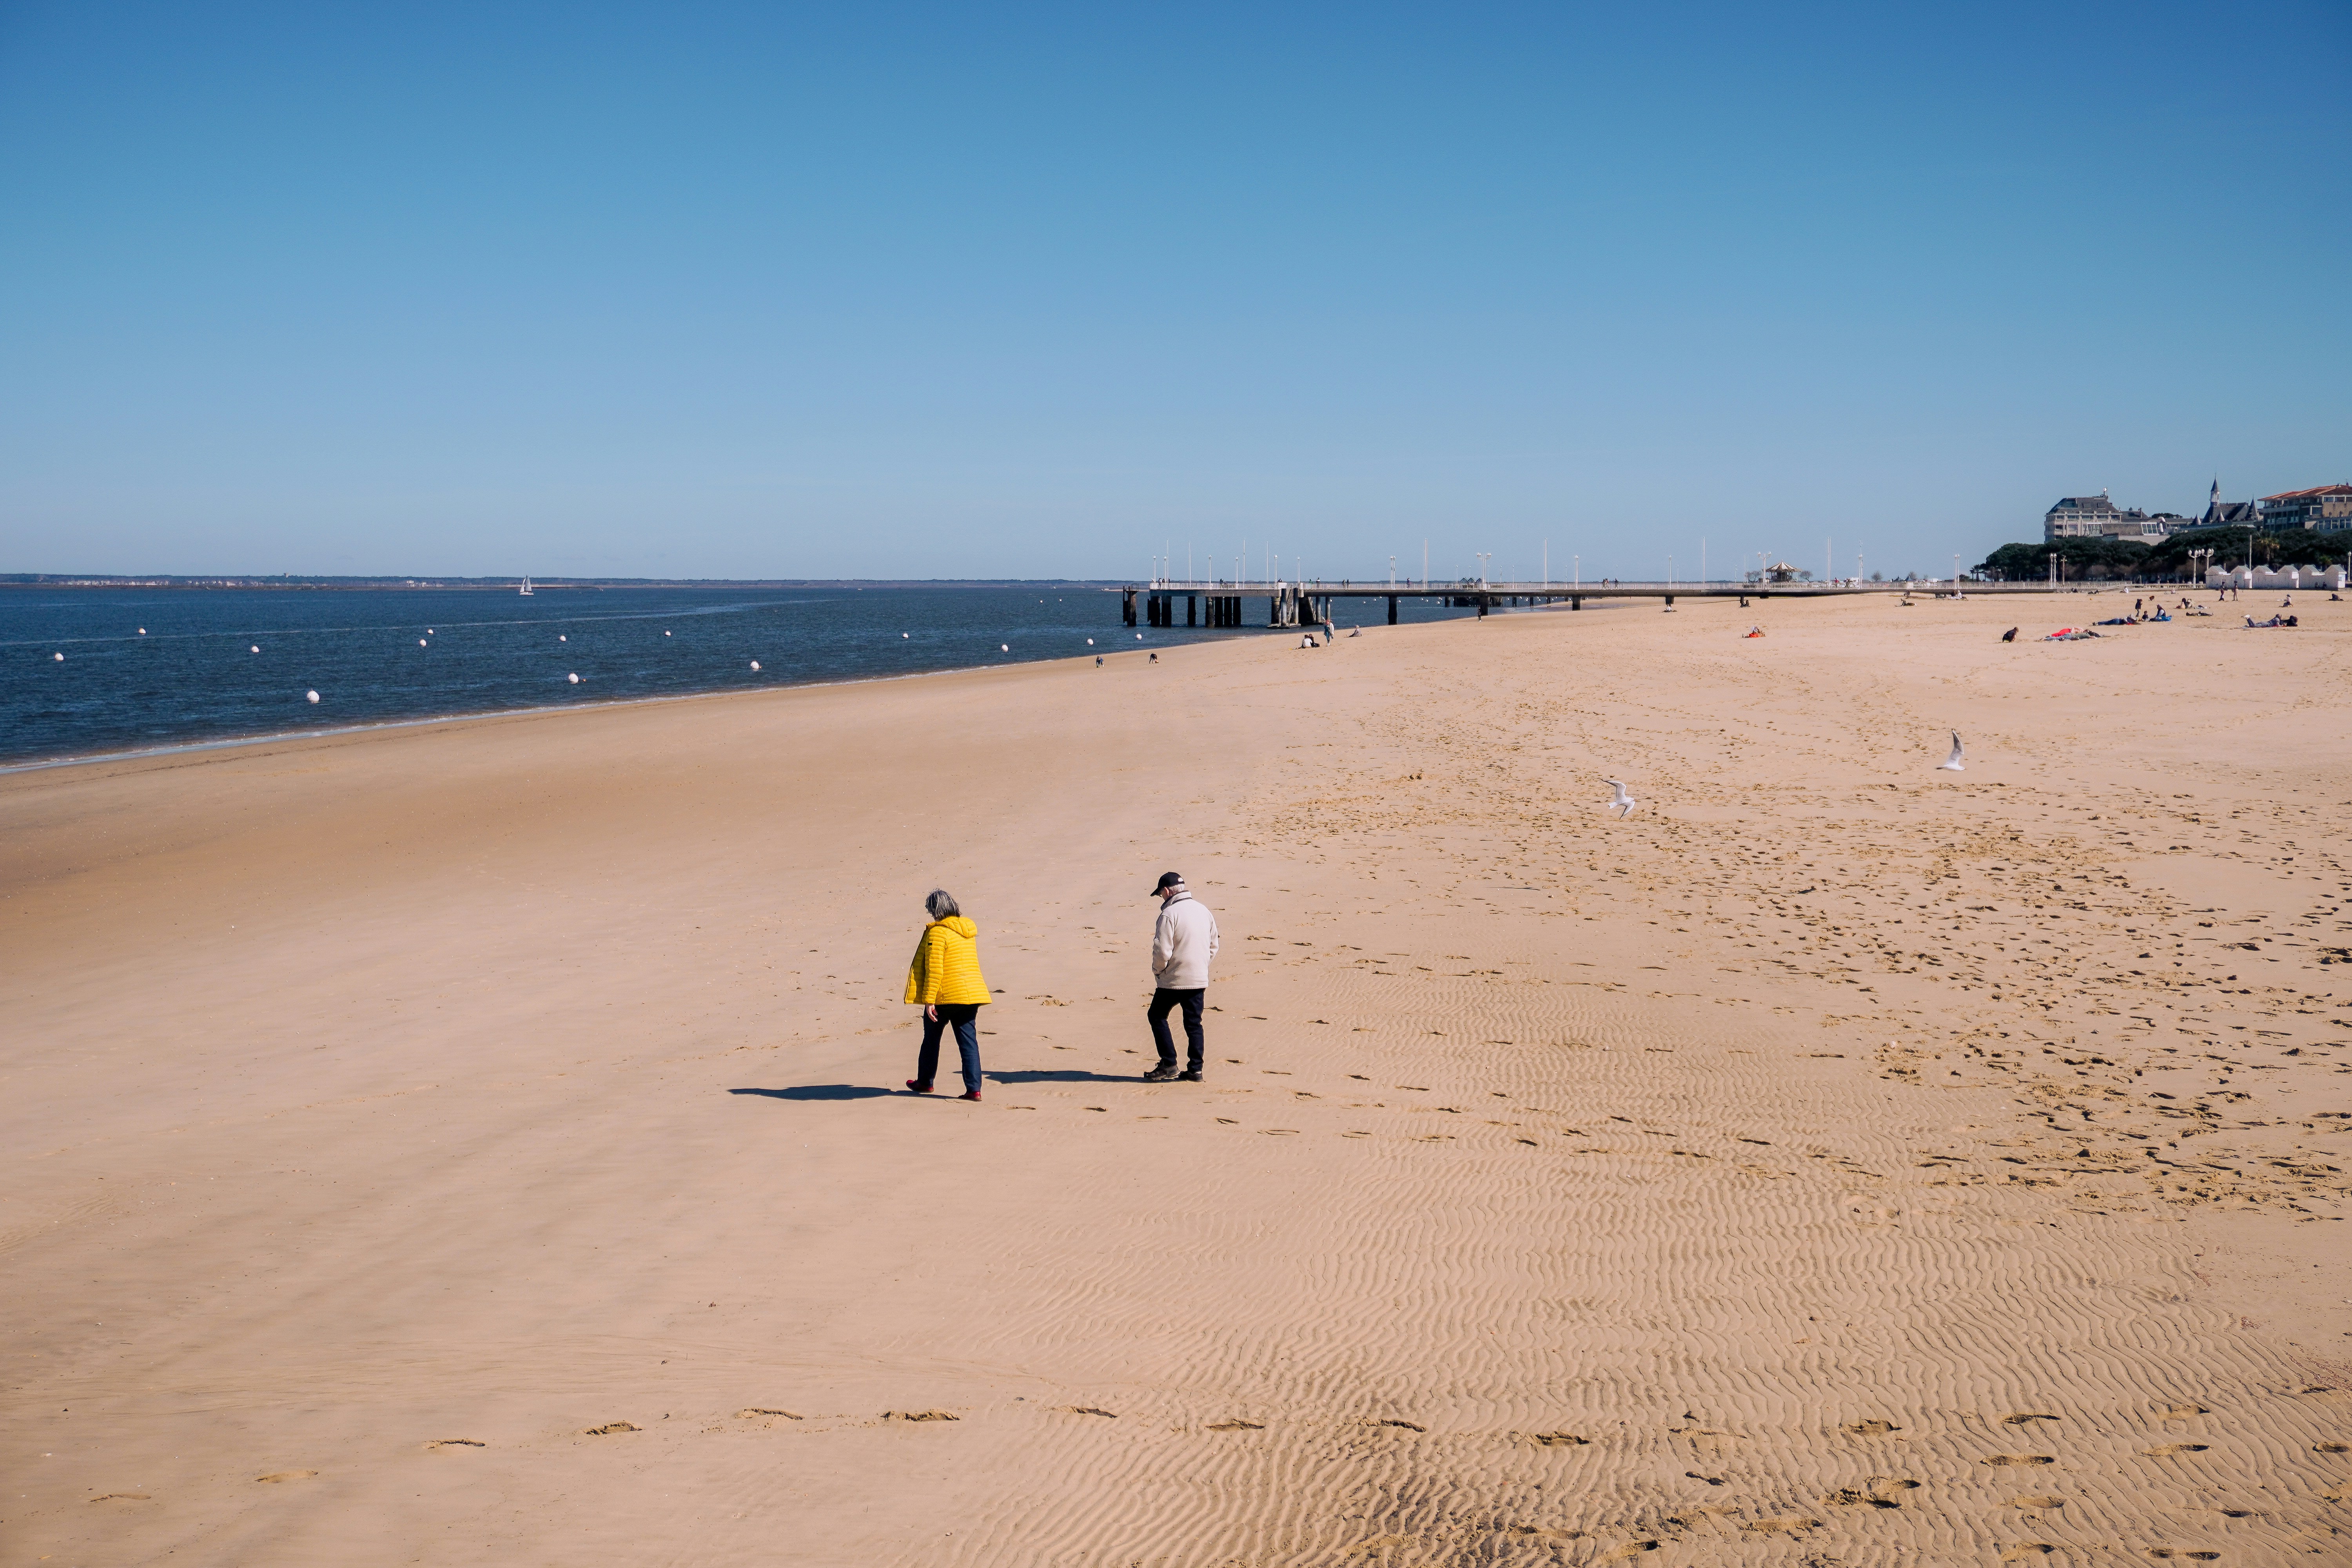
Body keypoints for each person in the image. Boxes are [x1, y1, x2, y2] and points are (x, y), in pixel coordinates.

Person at [903, 889, 990, 1101]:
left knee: (931, 1040)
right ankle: (974, 1090)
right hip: (971, 995)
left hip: (945, 996)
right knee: (969, 1043)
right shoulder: (967, 931)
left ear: (935, 910)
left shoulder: (937, 933)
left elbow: (935, 969)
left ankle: (925, 1082)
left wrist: (929, 1000)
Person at [1142, 871, 1220, 1083]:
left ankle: (1169, 1064)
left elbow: (1162, 951)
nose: (1161, 898)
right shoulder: (1204, 911)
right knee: (1194, 1024)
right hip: (1198, 978)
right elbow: (1214, 946)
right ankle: (1196, 1070)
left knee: (1157, 1016)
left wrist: (1159, 971)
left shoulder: (1169, 914)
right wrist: (1201, 966)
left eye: (1160, 894)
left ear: (1166, 891)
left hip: (1174, 980)